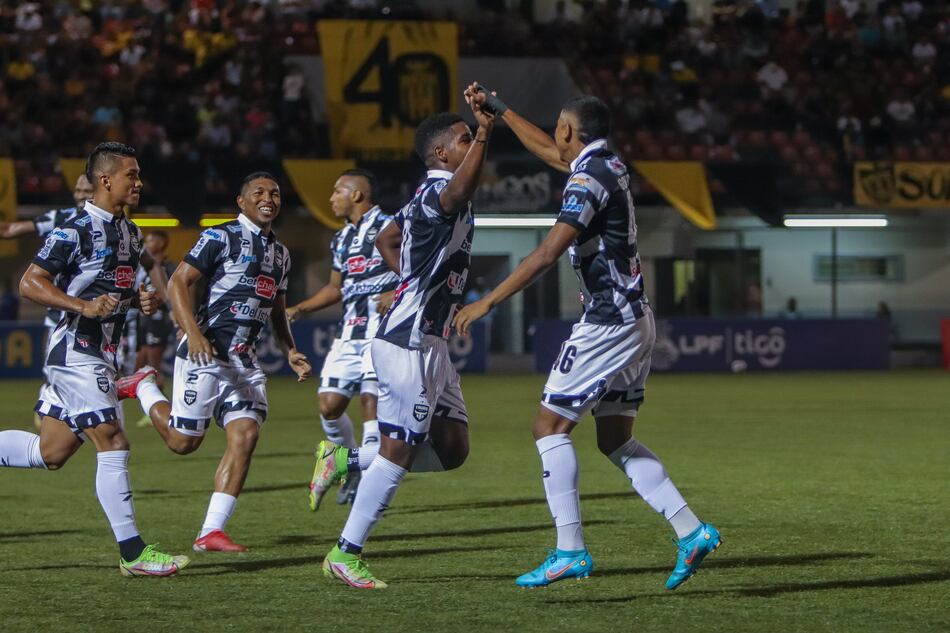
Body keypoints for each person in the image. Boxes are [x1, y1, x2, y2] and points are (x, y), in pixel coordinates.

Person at [454, 88, 721, 590]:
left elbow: (547, 252)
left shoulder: (588, 178)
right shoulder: (606, 165)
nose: (555, 133)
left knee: (547, 427)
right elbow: (551, 152)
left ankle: (569, 550)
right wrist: (503, 110)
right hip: (635, 317)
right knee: (614, 438)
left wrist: (486, 301)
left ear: (570, 131)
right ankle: (692, 531)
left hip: (607, 321)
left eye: (558, 125)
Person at [317, 99, 494, 589]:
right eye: (461, 139)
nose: (470, 144)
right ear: (440, 151)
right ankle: (346, 553)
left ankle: (348, 459)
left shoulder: (424, 196)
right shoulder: (442, 189)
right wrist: (485, 131)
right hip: (407, 340)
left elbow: (387, 238)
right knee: (398, 449)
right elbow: (459, 191)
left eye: (470, 138)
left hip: (429, 337)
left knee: (454, 448)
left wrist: (410, 280)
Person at [0, 142, 189, 576]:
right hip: (76, 352)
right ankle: (134, 553)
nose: (139, 183)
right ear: (106, 180)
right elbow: (31, 283)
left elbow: (113, 289)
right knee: (114, 442)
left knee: (51, 452)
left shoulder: (130, 232)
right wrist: (81, 306)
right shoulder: (74, 230)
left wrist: (138, 299)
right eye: (132, 175)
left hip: (99, 353)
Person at [123, 172, 312, 553]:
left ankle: (210, 532)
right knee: (182, 443)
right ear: (241, 202)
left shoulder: (281, 254)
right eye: (258, 192)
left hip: (243, 361)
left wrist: (290, 349)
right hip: (205, 353)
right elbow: (178, 281)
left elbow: (276, 308)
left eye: (274, 193)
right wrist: (192, 332)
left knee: (245, 435)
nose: (268, 198)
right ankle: (143, 384)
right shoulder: (220, 237)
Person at [286, 169, 397, 509]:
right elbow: (335, 288)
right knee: (329, 406)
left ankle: (364, 483)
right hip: (349, 333)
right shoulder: (341, 239)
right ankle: (351, 464)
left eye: (337, 191)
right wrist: (299, 309)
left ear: (357, 195)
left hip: (383, 332)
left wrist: (397, 291)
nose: (331, 197)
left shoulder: (392, 226)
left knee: (370, 402)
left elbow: (419, 267)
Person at [134, 231, 177, 382]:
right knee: (140, 357)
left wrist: (160, 301)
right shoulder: (140, 266)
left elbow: (173, 291)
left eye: (151, 240)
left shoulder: (169, 267)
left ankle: (158, 391)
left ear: (160, 243)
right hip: (140, 317)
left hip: (159, 317)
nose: (147, 243)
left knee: (154, 359)